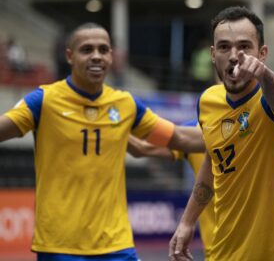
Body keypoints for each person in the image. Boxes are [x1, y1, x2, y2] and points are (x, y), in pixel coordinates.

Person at [0, 23, 205, 261]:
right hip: (61, 246)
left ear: (111, 56)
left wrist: (235, 136)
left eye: (103, 49)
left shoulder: (126, 104)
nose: (96, 56)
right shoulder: (44, 101)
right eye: (87, 50)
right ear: (69, 55)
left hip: (117, 244)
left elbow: (178, 137)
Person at [168, 5, 274, 261]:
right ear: (212, 54)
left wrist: (264, 75)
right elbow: (213, 160)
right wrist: (187, 222)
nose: (234, 55)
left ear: (262, 53)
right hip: (223, 254)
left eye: (244, 47)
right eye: (224, 47)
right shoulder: (207, 102)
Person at [128, 109, 274, 260]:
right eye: (225, 49)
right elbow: (142, 148)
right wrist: (111, 129)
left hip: (271, 254)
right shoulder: (196, 134)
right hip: (220, 254)